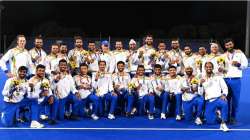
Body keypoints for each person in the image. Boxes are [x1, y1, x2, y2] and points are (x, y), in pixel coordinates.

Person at [223, 38, 248, 124]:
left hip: (235, 80)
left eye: (230, 44)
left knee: (235, 100)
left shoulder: (240, 54)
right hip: (225, 80)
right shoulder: (223, 55)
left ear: (233, 44)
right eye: (227, 45)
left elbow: (245, 65)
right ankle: (225, 117)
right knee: (226, 100)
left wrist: (239, 64)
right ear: (225, 46)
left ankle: (233, 117)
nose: (229, 46)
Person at [201, 62, 229, 132]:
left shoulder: (218, 77)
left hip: (218, 98)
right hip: (209, 101)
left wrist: (224, 94)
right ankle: (217, 113)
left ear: (212, 68)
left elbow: (225, 88)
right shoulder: (202, 78)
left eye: (210, 67)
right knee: (210, 121)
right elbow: (200, 93)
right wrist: (200, 85)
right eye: (207, 67)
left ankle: (223, 123)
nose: (208, 68)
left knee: (224, 103)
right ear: (205, 68)